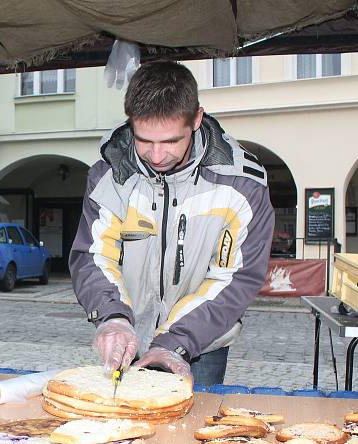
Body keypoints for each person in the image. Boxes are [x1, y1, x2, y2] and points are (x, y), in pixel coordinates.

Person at [69, 59, 274, 386]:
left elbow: (235, 277)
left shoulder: (243, 185)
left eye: (170, 142)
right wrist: (113, 318)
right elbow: (94, 256)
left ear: (197, 119)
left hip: (200, 344)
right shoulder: (109, 176)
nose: (156, 155)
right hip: (127, 337)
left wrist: (177, 341)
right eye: (144, 140)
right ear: (131, 122)